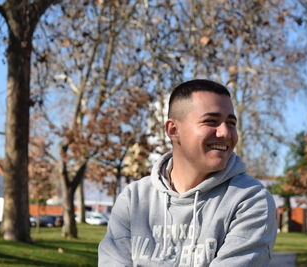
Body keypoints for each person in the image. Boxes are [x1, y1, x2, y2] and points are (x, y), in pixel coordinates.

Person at [98, 79, 277, 266]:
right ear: (173, 130)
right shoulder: (134, 199)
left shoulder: (251, 201)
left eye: (231, 123)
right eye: (211, 121)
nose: (225, 133)